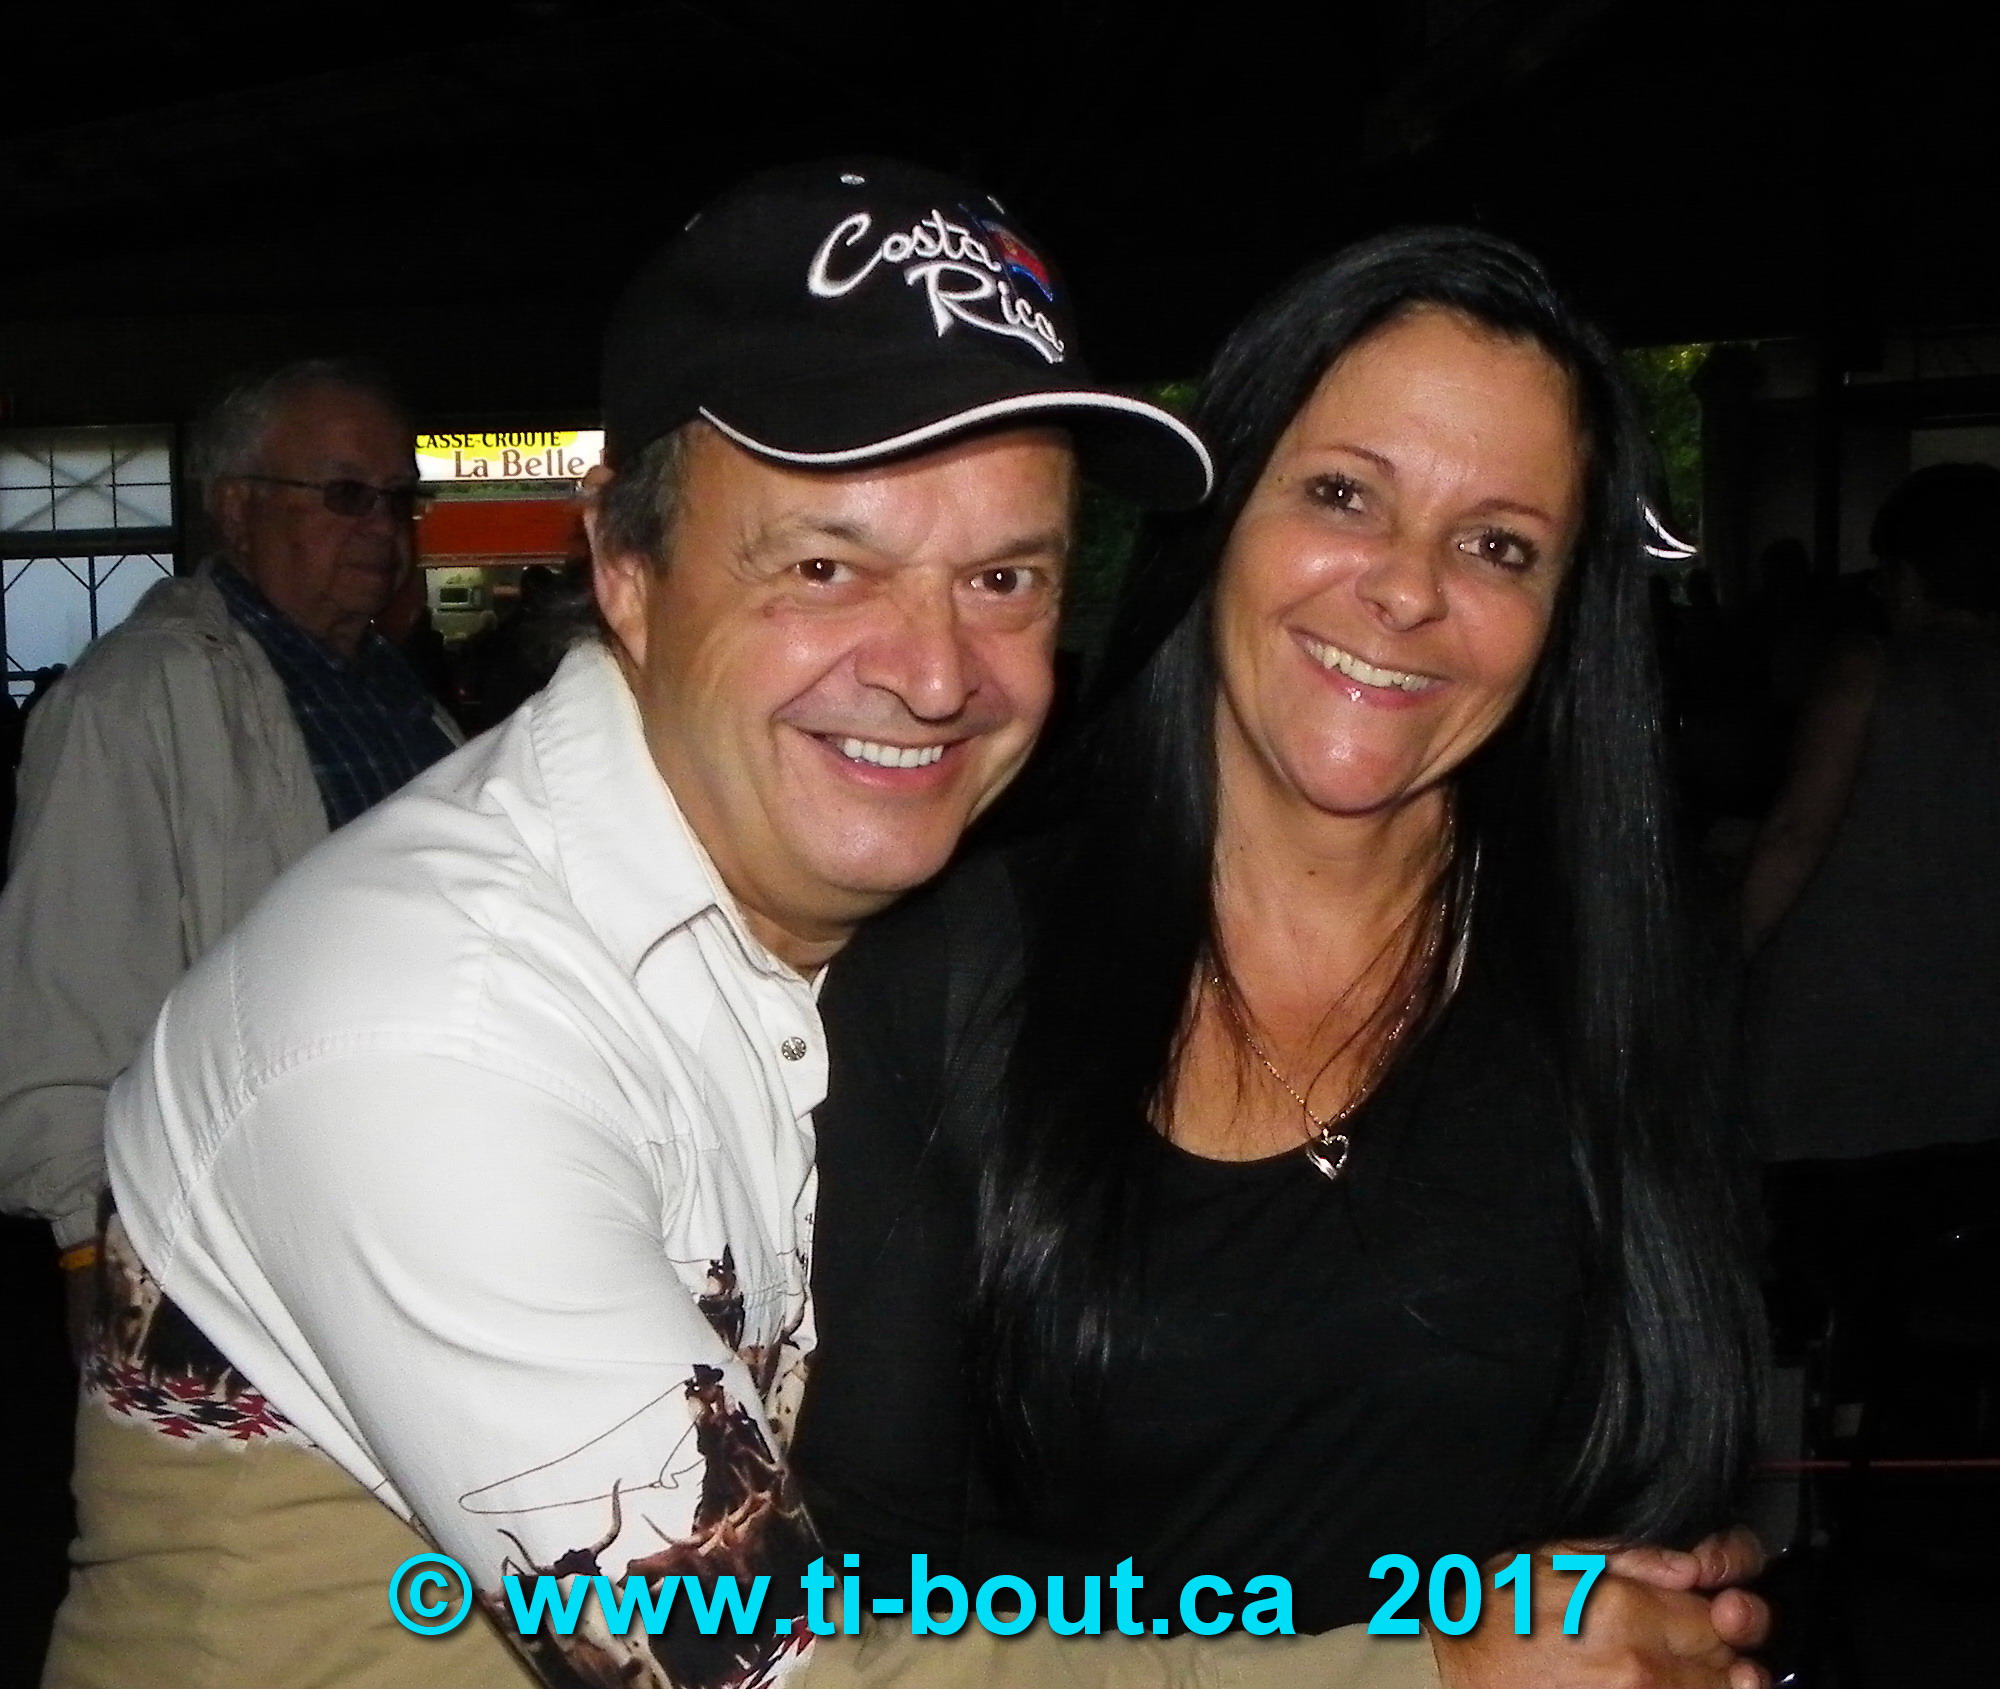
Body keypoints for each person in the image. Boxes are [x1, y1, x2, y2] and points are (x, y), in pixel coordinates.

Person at [58, 159, 1215, 1689]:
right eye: (826, 565)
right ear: (626, 564)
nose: (939, 673)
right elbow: (775, 1667)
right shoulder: (428, 1028)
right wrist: (1440, 1665)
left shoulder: (887, 941)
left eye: (1004, 576)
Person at [795, 229, 1772, 1686]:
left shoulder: (1625, 974)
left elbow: (1675, 1484)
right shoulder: (944, 977)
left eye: (1498, 545)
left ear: (1565, 617)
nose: (1407, 590)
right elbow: (854, 1605)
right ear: (1222, 518)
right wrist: (1420, 1670)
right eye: (1342, 495)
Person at [0, 360, 460, 1333]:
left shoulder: (404, 702)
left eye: (398, 497)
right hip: (239, 1241)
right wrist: (91, 1246)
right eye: (346, 494)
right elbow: (63, 997)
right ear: (238, 508)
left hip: (424, 1201)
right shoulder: (134, 700)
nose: (383, 525)